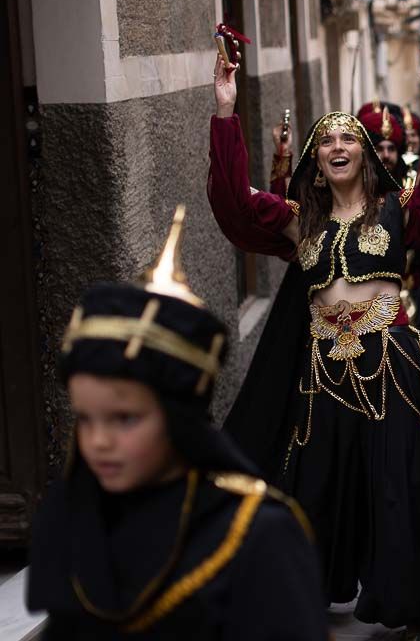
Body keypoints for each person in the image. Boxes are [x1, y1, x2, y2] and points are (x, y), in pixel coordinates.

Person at [208, 41, 420, 639]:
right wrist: (226, 111)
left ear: (364, 154)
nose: (337, 146)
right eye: (327, 140)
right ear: (315, 159)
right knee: (315, 484)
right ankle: (301, 592)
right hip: (325, 372)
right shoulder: (299, 220)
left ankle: (412, 604)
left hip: (391, 368)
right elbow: (232, 202)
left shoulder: (397, 207)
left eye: (348, 138)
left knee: (397, 486)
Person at [27, 207, 328, 640]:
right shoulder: (73, 518)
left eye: (124, 418)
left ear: (179, 417)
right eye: (86, 419)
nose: (99, 441)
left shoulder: (258, 537)